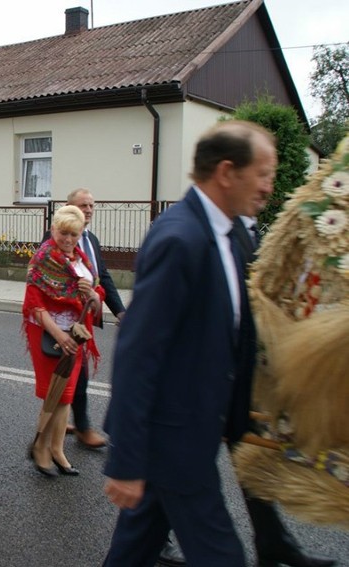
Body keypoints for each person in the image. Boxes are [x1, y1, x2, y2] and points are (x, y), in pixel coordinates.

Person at [102, 121, 275, 566]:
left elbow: (233, 335)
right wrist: (125, 460)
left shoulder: (232, 236)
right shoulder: (180, 238)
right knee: (222, 556)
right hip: (173, 441)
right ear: (226, 172)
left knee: (131, 552)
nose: (269, 186)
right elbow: (138, 353)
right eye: (263, 172)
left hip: (195, 432)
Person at [157, 212, 336, 567]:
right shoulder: (208, 229)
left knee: (248, 458)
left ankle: (273, 542)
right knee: (182, 469)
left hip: (236, 373)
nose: (267, 184)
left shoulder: (248, 232)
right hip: (202, 377)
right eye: (262, 173)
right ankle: (154, 535)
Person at [23, 204, 102, 477]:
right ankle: (41, 449)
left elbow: (96, 293)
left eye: (74, 235)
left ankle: (57, 450)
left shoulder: (82, 259)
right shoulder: (43, 259)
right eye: (63, 234)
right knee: (52, 394)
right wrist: (59, 334)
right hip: (48, 334)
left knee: (67, 395)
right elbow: (34, 303)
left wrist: (92, 294)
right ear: (53, 229)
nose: (68, 241)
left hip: (76, 333)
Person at [65, 188, 126, 448]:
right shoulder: (58, 236)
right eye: (83, 205)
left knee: (68, 375)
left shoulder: (91, 240)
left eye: (91, 205)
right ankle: (82, 428)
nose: (88, 210)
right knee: (77, 374)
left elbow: (104, 276)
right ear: (69, 207)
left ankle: (54, 425)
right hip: (65, 317)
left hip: (85, 317)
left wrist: (120, 310)